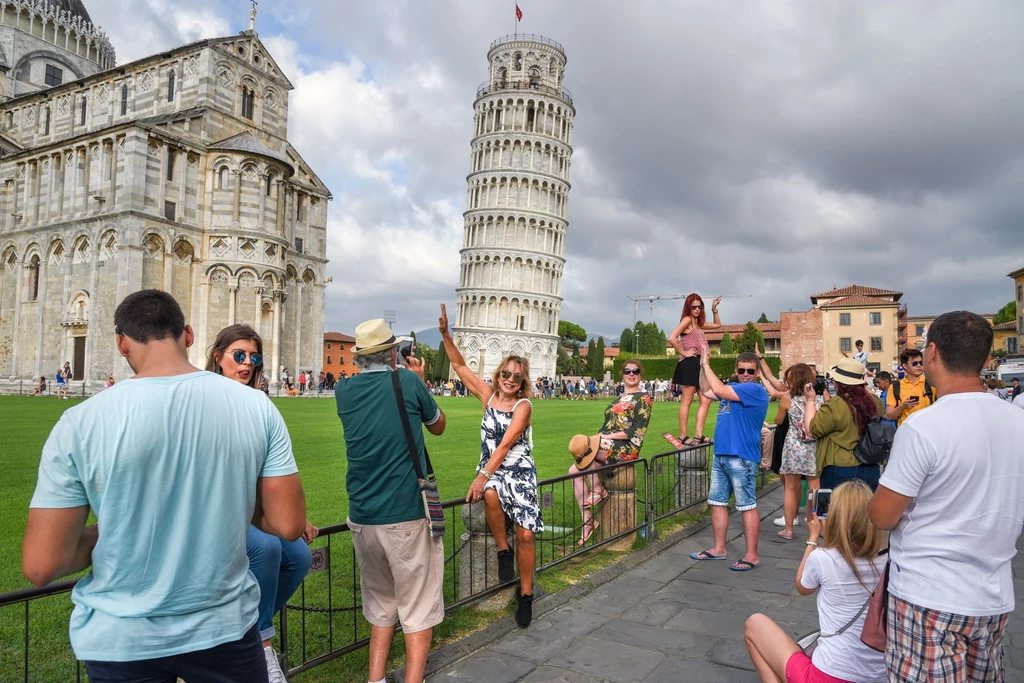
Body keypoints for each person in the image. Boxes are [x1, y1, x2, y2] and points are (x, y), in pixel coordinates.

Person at [23, 290, 305, 682]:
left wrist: (115, 528)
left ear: (121, 342)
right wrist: (233, 507)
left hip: (123, 638)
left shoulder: (79, 422)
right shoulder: (256, 407)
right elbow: (289, 525)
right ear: (187, 335)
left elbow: (42, 564)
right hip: (224, 629)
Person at [870, 311, 1024, 682]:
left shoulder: (924, 426)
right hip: (992, 594)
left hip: (930, 592)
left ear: (933, 353)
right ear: (986, 360)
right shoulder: (1017, 420)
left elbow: (883, 516)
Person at [336, 318, 447, 683]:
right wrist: (415, 376)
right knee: (417, 606)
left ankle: (376, 679)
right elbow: (438, 424)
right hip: (405, 511)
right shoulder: (408, 382)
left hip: (363, 513)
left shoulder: (344, 392)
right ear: (393, 352)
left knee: (381, 604)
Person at [207, 324, 319, 682]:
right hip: (213, 511)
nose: (246, 364)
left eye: (253, 358)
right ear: (217, 356)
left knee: (299, 557)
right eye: (238, 356)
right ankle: (263, 647)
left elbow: (267, 476)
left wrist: (291, 519)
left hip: (250, 509)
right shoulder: (204, 400)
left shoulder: (259, 403)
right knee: (268, 550)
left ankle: (243, 630)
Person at [439, 304, 541, 628]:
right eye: (505, 373)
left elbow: (508, 443)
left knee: (526, 535)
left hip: (519, 470)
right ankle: (502, 552)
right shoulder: (487, 395)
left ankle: (526, 596)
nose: (510, 379)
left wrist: (480, 477)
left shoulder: (523, 406)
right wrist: (445, 333)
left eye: (516, 375)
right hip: (493, 471)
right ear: (498, 375)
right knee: (491, 496)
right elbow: (459, 365)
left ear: (522, 379)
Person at [745, 480, 886, 683]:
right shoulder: (888, 560)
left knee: (754, 624)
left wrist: (813, 537)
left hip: (829, 676)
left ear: (834, 518)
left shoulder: (823, 558)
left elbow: (803, 586)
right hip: (880, 675)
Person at [690, 352, 768, 571]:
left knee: (747, 505)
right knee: (717, 502)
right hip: (722, 454)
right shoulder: (734, 391)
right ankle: (719, 548)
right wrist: (703, 367)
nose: (745, 374)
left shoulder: (755, 390)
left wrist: (706, 364)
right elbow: (706, 390)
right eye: (741, 370)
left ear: (757, 373)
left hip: (742, 456)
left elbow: (718, 389)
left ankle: (752, 555)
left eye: (750, 371)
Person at [567, 360, 653, 545]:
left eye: (635, 371)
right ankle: (588, 522)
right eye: (627, 371)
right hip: (606, 445)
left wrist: (603, 438)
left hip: (626, 448)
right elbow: (606, 425)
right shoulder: (618, 398)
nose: (632, 374)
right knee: (573, 472)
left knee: (587, 446)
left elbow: (637, 432)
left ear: (640, 374)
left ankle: (598, 488)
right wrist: (598, 436)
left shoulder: (643, 399)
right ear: (622, 375)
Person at [757, 354, 825, 540]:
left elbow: (778, 420)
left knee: (790, 488)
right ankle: (817, 525)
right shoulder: (820, 399)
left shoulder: (788, 399)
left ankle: (788, 529)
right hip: (814, 445)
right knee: (815, 488)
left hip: (794, 445)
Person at [806, 358, 884, 490]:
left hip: (840, 467)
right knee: (865, 510)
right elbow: (867, 395)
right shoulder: (875, 403)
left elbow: (811, 430)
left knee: (838, 510)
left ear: (838, 383)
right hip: (871, 466)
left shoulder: (835, 405)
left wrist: (810, 401)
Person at [669, 294, 722, 446]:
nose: (697, 309)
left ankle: (698, 435)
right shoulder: (687, 320)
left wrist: (714, 309)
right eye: (694, 307)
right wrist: (684, 352)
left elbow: (718, 325)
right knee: (687, 401)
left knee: (706, 399)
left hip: (701, 363)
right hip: (690, 362)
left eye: (700, 307)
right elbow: (672, 337)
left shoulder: (699, 323)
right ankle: (683, 436)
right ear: (688, 307)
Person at [884, 348, 936, 427]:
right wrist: (902, 406)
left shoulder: (931, 383)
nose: (919, 365)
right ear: (905, 366)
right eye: (914, 363)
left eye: (921, 363)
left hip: (928, 432)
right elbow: (889, 416)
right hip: (905, 433)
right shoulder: (895, 387)